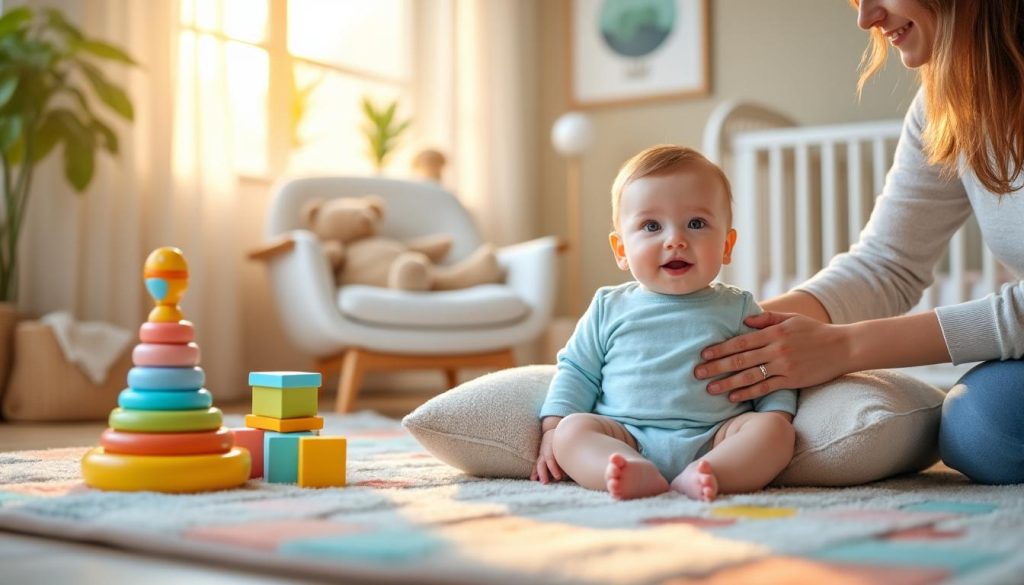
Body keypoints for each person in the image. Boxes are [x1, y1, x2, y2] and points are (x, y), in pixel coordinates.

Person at [694, 0, 1024, 485]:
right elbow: (885, 265)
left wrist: (846, 347)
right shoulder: (946, 107)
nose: (866, 18)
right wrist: (731, 332)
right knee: (979, 431)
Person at [530, 145, 797, 501]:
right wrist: (551, 428)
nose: (676, 240)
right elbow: (577, 371)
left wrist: (777, 414)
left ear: (727, 245)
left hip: (717, 435)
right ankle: (623, 468)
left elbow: (769, 367)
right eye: (651, 226)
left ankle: (712, 472)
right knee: (572, 431)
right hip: (625, 433)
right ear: (621, 249)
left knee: (775, 432)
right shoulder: (609, 306)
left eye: (696, 224)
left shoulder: (739, 307)